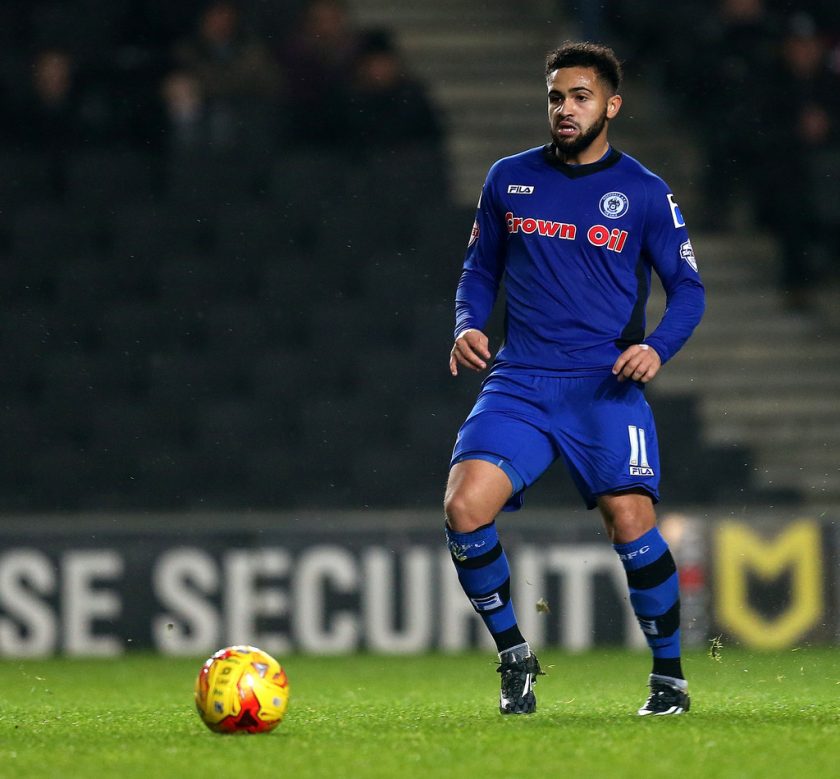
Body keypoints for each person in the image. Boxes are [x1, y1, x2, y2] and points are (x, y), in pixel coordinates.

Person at [444, 42, 705, 716]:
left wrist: (658, 349)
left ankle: (669, 679)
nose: (565, 108)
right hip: (522, 378)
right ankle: (513, 655)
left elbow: (689, 291)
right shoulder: (509, 178)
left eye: (580, 96)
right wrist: (468, 322)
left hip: (603, 384)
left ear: (611, 106)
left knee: (631, 521)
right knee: (464, 506)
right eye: (557, 96)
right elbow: (479, 270)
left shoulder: (645, 193)